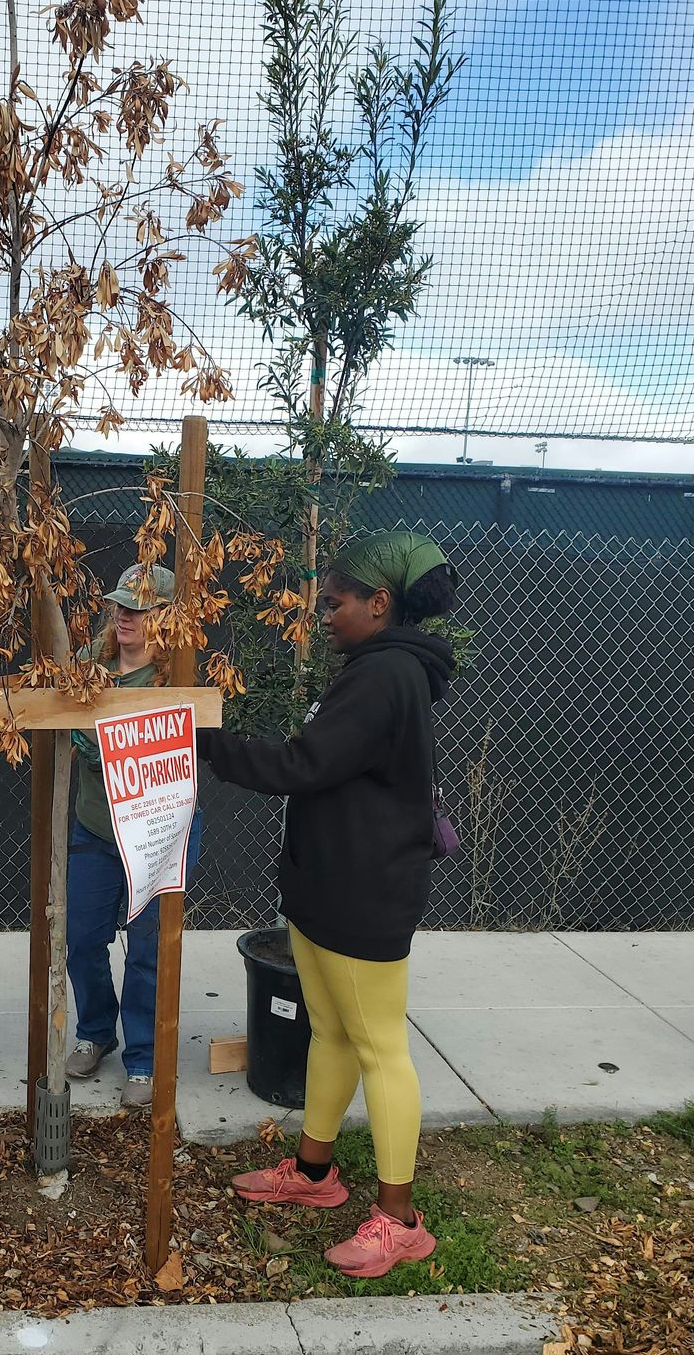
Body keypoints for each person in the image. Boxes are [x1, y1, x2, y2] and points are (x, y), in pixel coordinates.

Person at [195, 532, 459, 1279]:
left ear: (381, 603)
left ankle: (399, 1220)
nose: (325, 614)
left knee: (379, 1048)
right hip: (327, 887)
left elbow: (305, 764)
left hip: (362, 893)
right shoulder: (371, 670)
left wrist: (211, 742)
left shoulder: (385, 679)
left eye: (336, 602)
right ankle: (314, 1175)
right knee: (333, 1035)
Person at [65, 563, 202, 1109]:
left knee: (148, 946)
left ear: (165, 618)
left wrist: (96, 741)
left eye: (139, 607)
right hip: (95, 826)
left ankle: (143, 1057)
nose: (125, 615)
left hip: (159, 833)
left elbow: (177, 750)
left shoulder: (176, 677)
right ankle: (97, 1030)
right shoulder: (87, 666)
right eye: (121, 604)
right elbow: (71, 728)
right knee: (81, 936)